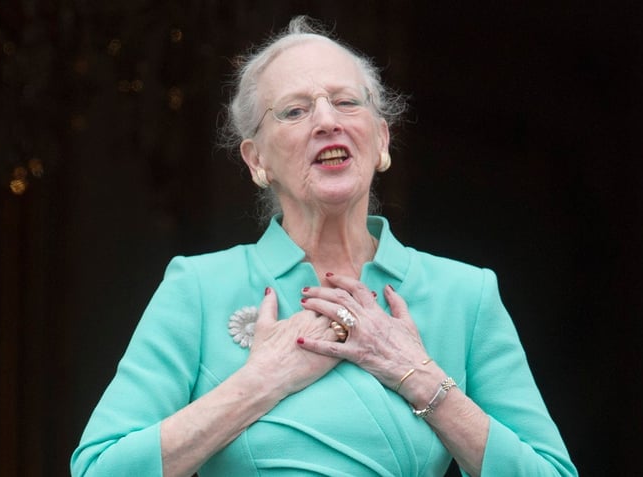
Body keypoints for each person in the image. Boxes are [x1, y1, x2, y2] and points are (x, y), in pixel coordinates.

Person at [71, 16, 577, 477]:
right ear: (256, 160)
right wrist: (260, 384)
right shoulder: (199, 289)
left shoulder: (464, 295)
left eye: (346, 102)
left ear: (381, 140)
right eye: (294, 110)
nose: (326, 120)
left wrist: (418, 377)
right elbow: (99, 470)